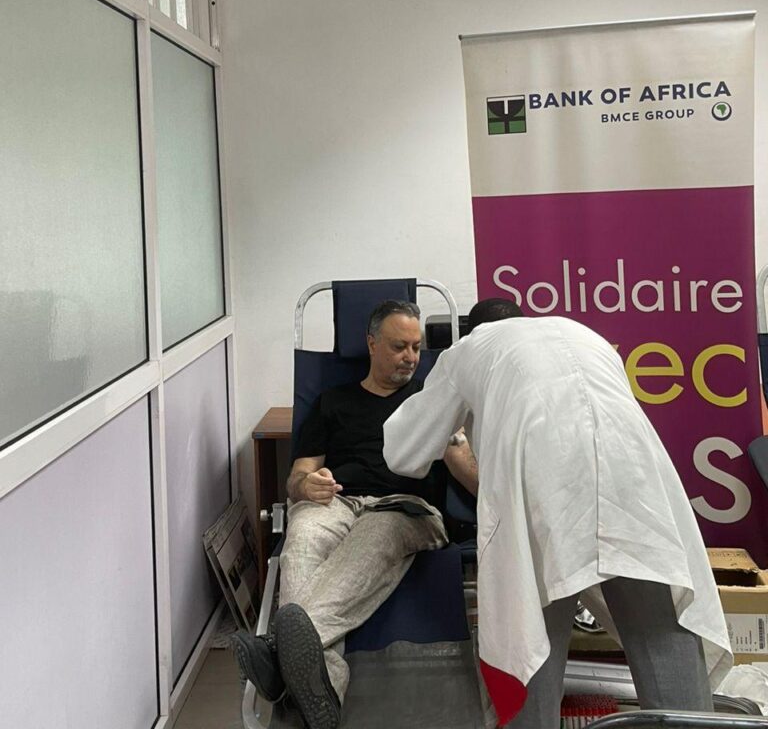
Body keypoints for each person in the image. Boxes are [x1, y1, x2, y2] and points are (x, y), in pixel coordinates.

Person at [383, 299, 732, 728]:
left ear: (473, 329)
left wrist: (455, 430)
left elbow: (403, 453)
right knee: (660, 630)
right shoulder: (583, 333)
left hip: (545, 487)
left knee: (533, 635)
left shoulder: (467, 350)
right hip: (635, 482)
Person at [232, 299, 475, 729]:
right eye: (399, 346)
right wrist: (306, 485)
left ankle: (275, 653)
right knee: (301, 535)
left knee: (374, 535)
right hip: (337, 502)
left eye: (416, 347)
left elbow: (469, 473)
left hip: (404, 509)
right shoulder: (332, 402)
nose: (411, 357)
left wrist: (461, 449)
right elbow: (298, 476)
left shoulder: (431, 401)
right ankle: (321, 690)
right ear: (371, 343)